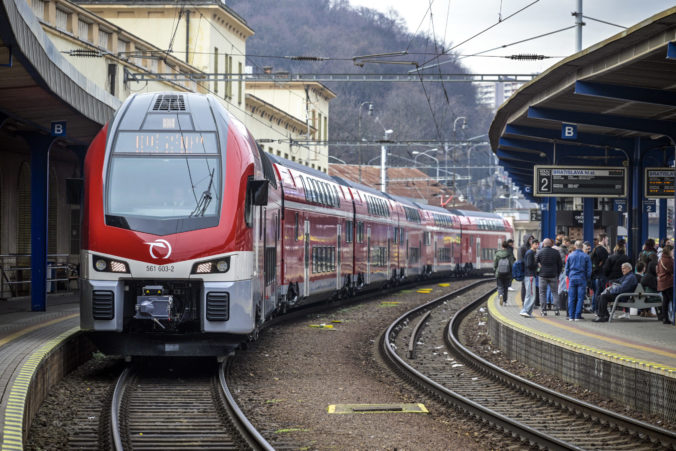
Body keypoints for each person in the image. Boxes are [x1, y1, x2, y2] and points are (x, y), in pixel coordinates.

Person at [565, 240, 591, 321]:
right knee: (580, 298)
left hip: (572, 278)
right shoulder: (586, 256)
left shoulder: (570, 255)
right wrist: (586, 278)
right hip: (582, 278)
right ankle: (577, 316)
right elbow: (589, 270)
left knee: (571, 297)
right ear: (582, 247)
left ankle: (571, 316)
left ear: (575, 246)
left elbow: (566, 269)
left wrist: (569, 276)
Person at [536, 238, 563, 316]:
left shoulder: (540, 252)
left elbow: (536, 262)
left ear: (543, 244)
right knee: (555, 292)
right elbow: (560, 265)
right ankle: (556, 310)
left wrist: (538, 271)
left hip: (542, 275)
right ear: (551, 244)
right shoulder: (556, 252)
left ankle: (543, 311)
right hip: (553, 275)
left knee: (542, 293)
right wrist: (557, 274)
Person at [519, 239, 539, 318]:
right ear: (532, 244)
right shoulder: (530, 253)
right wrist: (537, 265)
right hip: (530, 275)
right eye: (536, 244)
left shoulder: (530, 253)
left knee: (530, 294)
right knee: (531, 294)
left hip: (529, 275)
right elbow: (529, 265)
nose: (537, 246)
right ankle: (525, 310)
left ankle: (528, 312)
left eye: (538, 244)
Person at [590, 234, 609, 315]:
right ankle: (597, 310)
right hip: (600, 275)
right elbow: (602, 262)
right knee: (599, 293)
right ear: (603, 239)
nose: (608, 242)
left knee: (597, 292)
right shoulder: (601, 250)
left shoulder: (596, 249)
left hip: (596, 275)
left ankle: (595, 309)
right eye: (607, 240)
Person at [494, 241, 515, 305]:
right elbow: (512, 264)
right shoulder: (510, 253)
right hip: (507, 273)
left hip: (499, 273)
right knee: (506, 287)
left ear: (502, 246)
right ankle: (505, 301)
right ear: (507, 246)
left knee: (500, 286)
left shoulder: (497, 253)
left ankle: (500, 294)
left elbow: (495, 264)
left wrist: (495, 270)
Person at [657, 244, 674, 325]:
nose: (673, 252)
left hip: (662, 283)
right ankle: (673, 318)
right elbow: (673, 270)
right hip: (669, 283)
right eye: (673, 251)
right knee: (673, 300)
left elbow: (657, 270)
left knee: (665, 301)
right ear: (669, 251)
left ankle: (665, 318)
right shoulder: (669, 260)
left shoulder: (661, 259)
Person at [518, 235, 534, 304]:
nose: (531, 240)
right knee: (524, 286)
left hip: (530, 269)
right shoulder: (522, 248)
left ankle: (528, 301)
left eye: (532, 239)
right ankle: (523, 301)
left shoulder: (531, 247)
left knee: (529, 286)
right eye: (530, 239)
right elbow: (521, 259)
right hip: (525, 269)